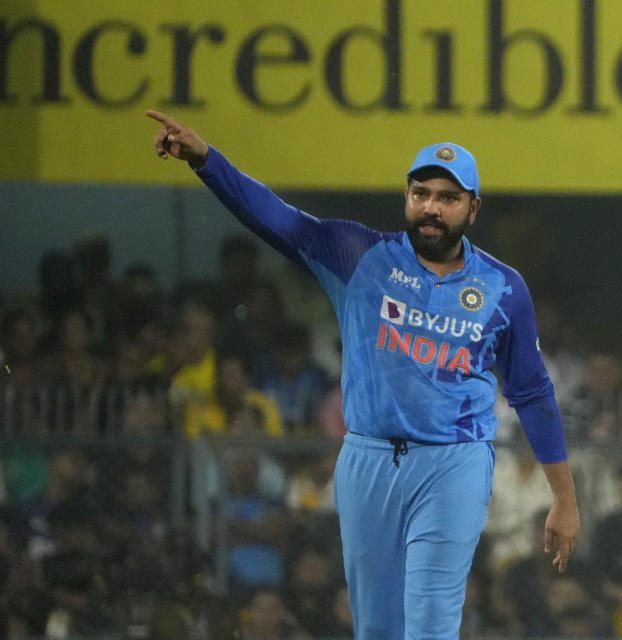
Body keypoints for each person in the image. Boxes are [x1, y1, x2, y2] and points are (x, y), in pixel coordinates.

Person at [146, 109, 581, 639]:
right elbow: (275, 217)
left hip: (454, 462)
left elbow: (532, 392)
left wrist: (564, 497)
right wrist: (207, 162)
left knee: (428, 623)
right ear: (406, 196)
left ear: (473, 208)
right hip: (367, 460)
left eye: (448, 198)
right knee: (375, 628)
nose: (431, 208)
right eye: (421, 193)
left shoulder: (502, 287)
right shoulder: (357, 255)